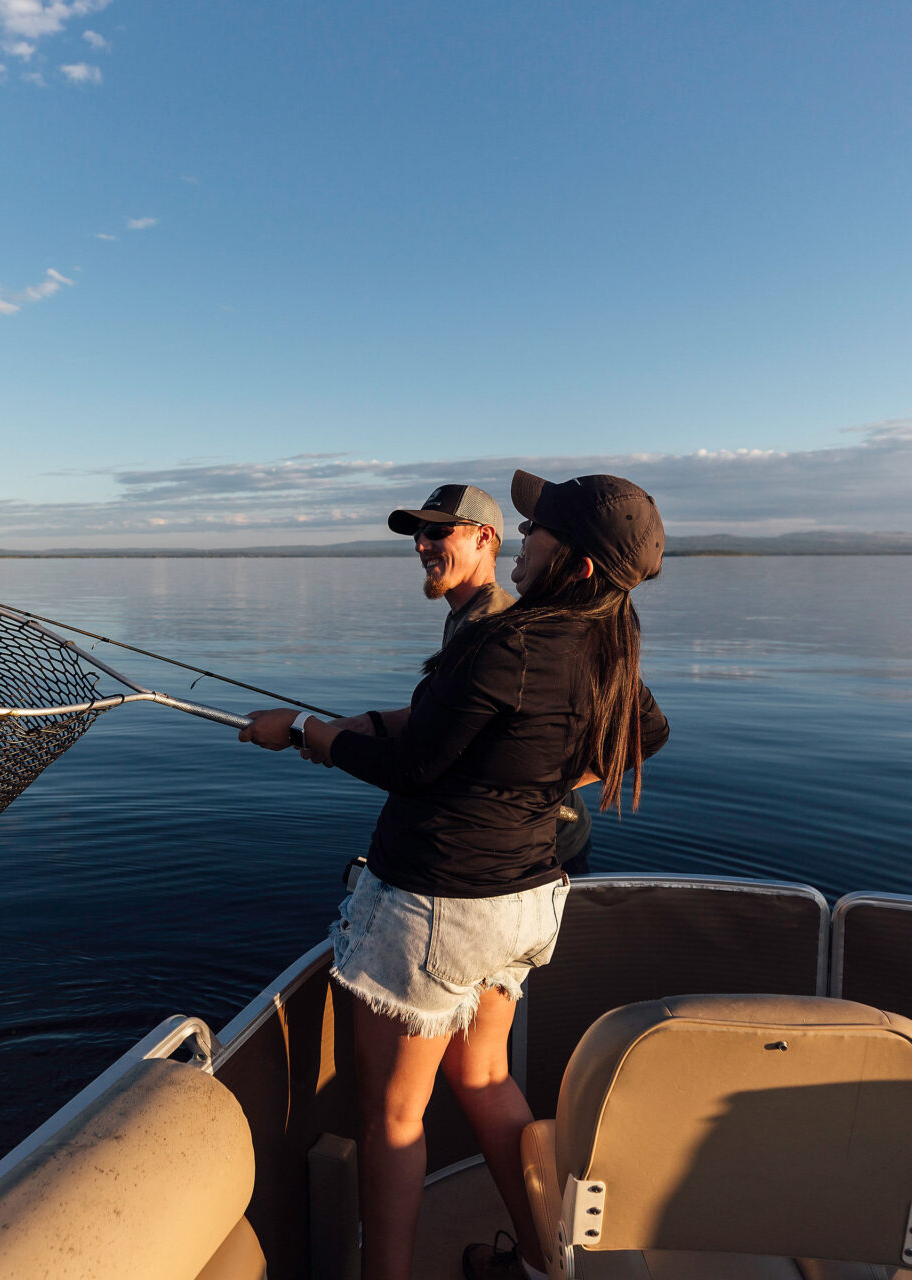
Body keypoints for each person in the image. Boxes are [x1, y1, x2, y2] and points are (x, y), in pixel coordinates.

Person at [240, 471, 671, 1280]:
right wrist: (534, 788)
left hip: (439, 908)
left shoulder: (509, 643)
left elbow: (412, 768)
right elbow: (644, 733)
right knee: (485, 1076)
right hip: (526, 903)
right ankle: (544, 1265)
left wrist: (301, 731)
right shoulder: (607, 645)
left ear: (574, 563)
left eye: (538, 528)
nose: (526, 535)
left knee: (395, 1117)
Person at [345, 483, 600, 875]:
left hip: (547, 846)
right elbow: (452, 715)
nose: (421, 545)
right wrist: (366, 725)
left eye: (437, 531)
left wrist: (538, 793)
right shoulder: (466, 617)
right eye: (417, 534)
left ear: (484, 537)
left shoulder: (494, 630)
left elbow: (627, 734)